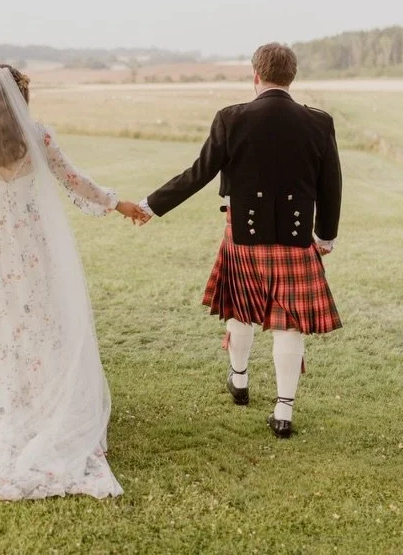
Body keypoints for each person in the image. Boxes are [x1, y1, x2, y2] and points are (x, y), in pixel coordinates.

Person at [0, 65, 146, 499]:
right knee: (42, 325)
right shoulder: (39, 137)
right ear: (24, 99)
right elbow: (74, 180)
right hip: (31, 249)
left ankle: (10, 406)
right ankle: (42, 408)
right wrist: (117, 203)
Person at [137, 43, 342, 438]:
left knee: (241, 307)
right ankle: (284, 411)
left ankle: (241, 379)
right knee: (289, 322)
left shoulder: (231, 118)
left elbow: (197, 174)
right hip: (296, 239)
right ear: (291, 77)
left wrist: (150, 205)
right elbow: (330, 183)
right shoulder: (319, 122)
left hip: (243, 237)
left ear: (255, 75)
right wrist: (326, 234)